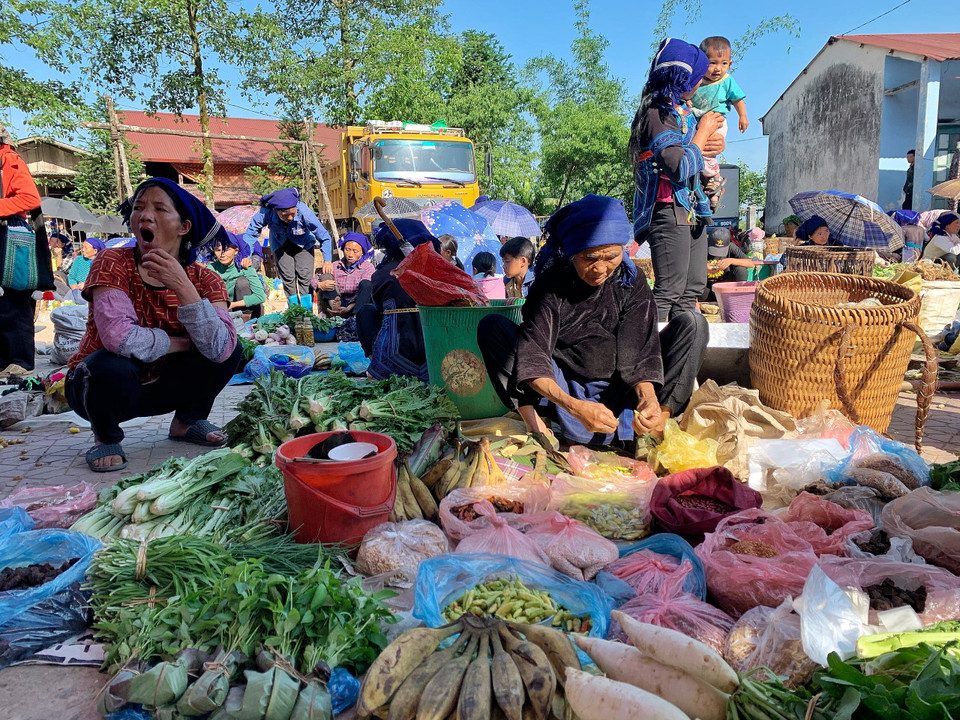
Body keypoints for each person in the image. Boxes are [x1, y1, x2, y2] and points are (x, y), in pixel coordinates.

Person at [477, 195, 708, 446]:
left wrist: (648, 398)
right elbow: (534, 356)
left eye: (611, 257)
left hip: (622, 385)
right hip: (566, 385)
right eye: (589, 258)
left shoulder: (631, 281)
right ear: (573, 252)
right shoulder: (550, 285)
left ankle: (656, 422)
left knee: (693, 325)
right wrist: (574, 407)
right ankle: (537, 425)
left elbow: (640, 351)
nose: (600, 269)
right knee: (493, 328)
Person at [65, 177, 242, 472]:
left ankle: (187, 421)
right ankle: (105, 436)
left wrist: (183, 286)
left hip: (161, 386)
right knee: (110, 364)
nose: (145, 216)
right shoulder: (112, 262)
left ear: (183, 227)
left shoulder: (206, 279)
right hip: (97, 387)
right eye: (139, 208)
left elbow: (221, 348)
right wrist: (184, 343)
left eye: (160, 209)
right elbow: (119, 338)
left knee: (232, 348)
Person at [631, 37, 725, 322]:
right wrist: (703, 133)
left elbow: (695, 151)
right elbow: (678, 167)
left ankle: (682, 346)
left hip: (691, 208)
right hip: (667, 208)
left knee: (693, 287)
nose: (702, 82)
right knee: (669, 290)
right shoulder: (657, 113)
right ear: (683, 78)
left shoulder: (683, 111)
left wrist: (712, 143)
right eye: (698, 77)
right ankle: (651, 348)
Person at [356, 219, 439, 382]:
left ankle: (376, 366)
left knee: (366, 312)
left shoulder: (382, 274)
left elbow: (378, 307)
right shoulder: (438, 269)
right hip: (435, 356)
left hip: (395, 357)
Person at [0, 128, 47, 376]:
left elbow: (30, 198)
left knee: (14, 298)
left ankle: (19, 361)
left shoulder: (8, 159)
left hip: (9, 235)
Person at [244, 187, 331, 310]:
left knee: (305, 278)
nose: (289, 218)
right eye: (285, 215)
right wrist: (246, 256)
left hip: (304, 245)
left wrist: (327, 260)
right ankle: (294, 311)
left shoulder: (304, 212)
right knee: (288, 279)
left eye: (292, 214)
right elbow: (250, 234)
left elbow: (324, 236)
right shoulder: (266, 212)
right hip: (280, 244)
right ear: (275, 211)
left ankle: (307, 312)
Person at [691, 36, 748, 211]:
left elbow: (737, 99)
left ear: (730, 64)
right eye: (712, 63)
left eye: (723, 64)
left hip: (717, 121)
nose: (718, 68)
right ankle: (710, 186)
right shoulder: (696, 81)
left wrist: (743, 117)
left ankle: (714, 176)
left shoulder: (727, 81)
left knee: (708, 150)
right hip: (698, 123)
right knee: (697, 151)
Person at [311, 231, 375, 319]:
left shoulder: (368, 267)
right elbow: (315, 279)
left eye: (355, 251)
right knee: (326, 276)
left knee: (366, 284)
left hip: (355, 305)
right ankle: (335, 308)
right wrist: (319, 285)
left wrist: (348, 308)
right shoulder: (336, 265)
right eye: (347, 250)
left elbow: (365, 291)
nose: (350, 255)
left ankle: (355, 318)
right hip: (338, 301)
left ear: (362, 252)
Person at [208, 232, 266, 318]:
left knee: (242, 282)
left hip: (248, 310)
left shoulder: (245, 267)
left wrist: (233, 304)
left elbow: (260, 297)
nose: (222, 254)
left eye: (227, 250)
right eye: (218, 250)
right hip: (224, 310)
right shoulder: (211, 269)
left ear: (235, 251)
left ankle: (245, 320)